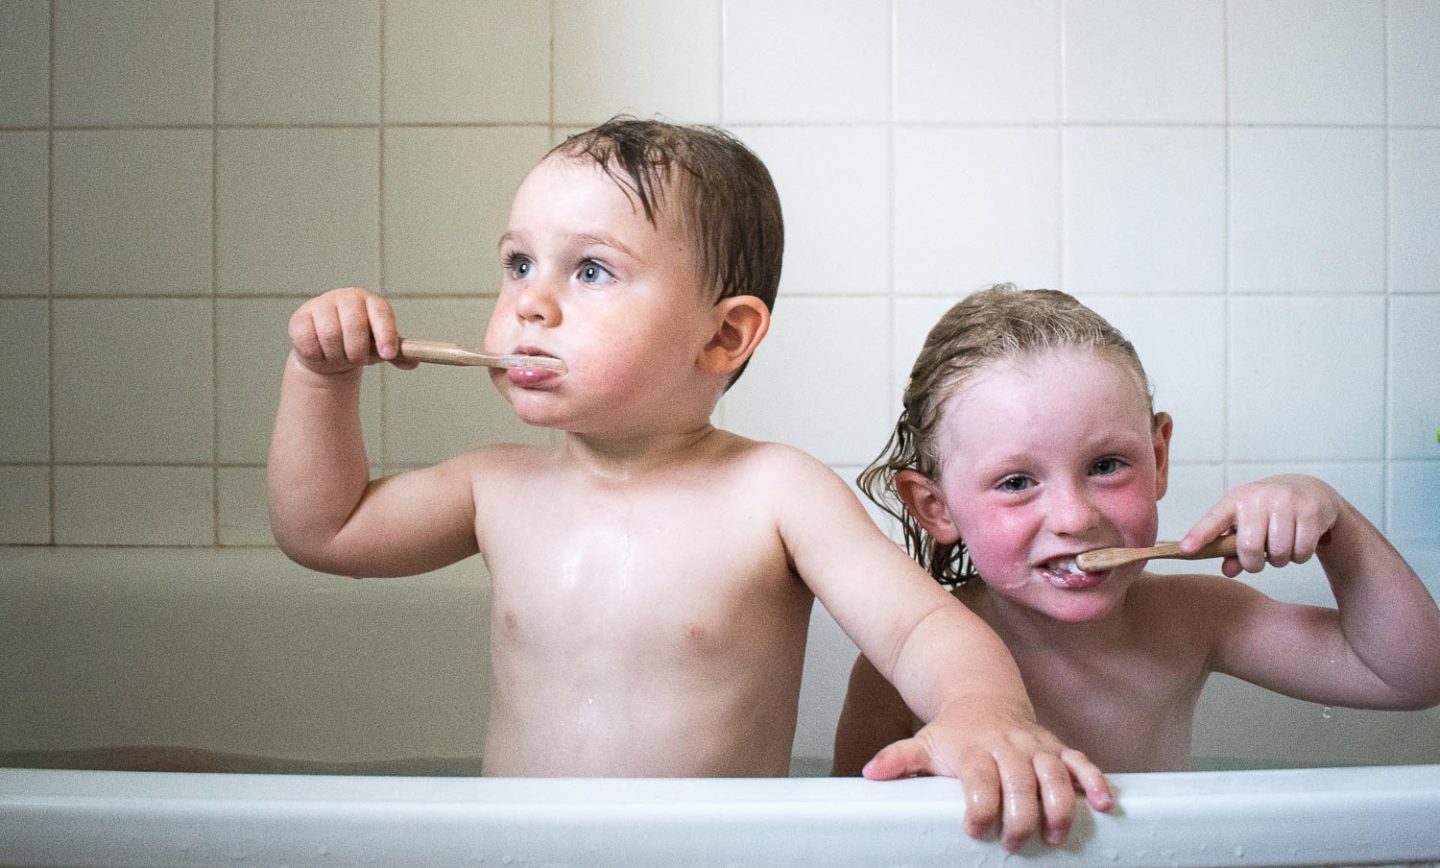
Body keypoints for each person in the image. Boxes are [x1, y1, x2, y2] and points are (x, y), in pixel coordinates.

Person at [267, 120, 1111, 850]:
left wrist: (982, 711)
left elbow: (921, 625)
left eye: (590, 271)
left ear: (723, 335)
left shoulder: (773, 493)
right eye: (519, 264)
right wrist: (320, 379)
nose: (530, 304)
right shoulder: (495, 488)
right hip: (516, 857)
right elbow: (326, 529)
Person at [832, 284, 1440, 775]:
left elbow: (1410, 677)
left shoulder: (1193, 619)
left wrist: (1338, 522)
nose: (1075, 518)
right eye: (1016, 482)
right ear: (935, 507)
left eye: (1106, 466)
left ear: (1159, 459)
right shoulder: (902, 669)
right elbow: (844, 838)